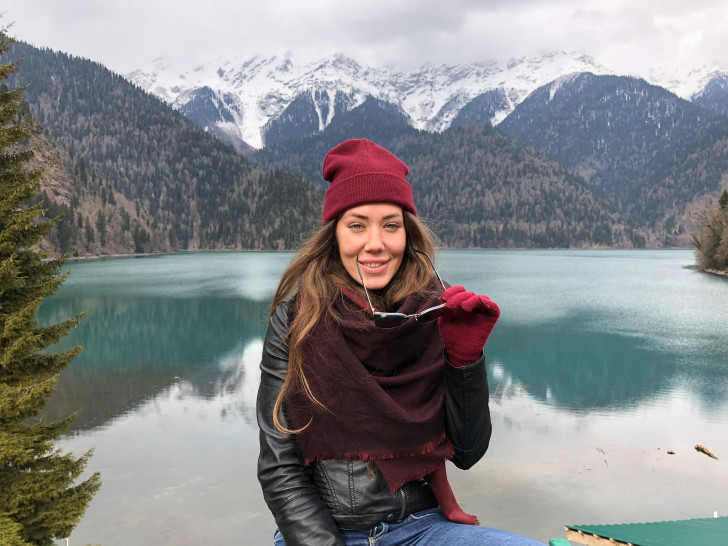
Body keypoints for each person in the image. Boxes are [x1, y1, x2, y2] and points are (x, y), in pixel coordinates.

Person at [257, 138, 543, 545]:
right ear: (334, 234)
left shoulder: (436, 311)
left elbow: (468, 452)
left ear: (407, 233)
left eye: (391, 225)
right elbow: (279, 471)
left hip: (425, 528)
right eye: (357, 225)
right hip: (327, 535)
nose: (375, 243)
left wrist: (465, 360)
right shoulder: (296, 321)